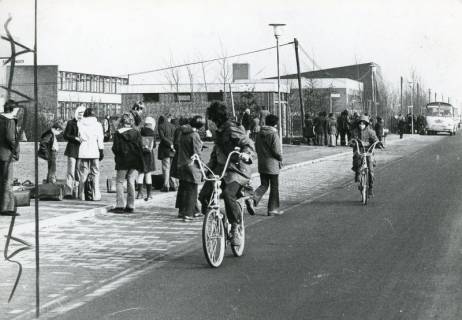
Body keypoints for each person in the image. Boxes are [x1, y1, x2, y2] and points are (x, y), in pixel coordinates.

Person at [199, 102, 255, 246]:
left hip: (237, 169)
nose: (211, 123)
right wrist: (207, 169)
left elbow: (247, 143)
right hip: (221, 169)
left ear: (216, 118)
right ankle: (217, 217)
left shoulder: (231, 129)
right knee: (204, 195)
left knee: (229, 194)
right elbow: (216, 154)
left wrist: (246, 154)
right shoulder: (219, 131)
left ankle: (235, 227)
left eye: (212, 120)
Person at [110, 112, 144, 213]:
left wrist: (118, 155)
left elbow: (115, 148)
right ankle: (130, 205)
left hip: (122, 160)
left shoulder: (118, 133)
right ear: (132, 121)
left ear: (122, 121)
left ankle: (120, 205)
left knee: (120, 182)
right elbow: (140, 147)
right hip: (134, 160)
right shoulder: (137, 133)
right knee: (131, 181)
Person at [251, 114, 283, 216]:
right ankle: (272, 209)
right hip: (272, 164)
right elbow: (277, 150)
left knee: (264, 184)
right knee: (274, 186)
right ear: (275, 124)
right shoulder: (273, 134)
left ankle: (254, 198)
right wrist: (280, 158)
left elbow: (256, 147)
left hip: (262, 162)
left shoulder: (259, 133)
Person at [176, 115, 204, 221]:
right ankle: (188, 213)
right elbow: (197, 153)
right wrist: (201, 167)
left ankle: (187, 210)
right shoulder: (195, 135)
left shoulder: (183, 133)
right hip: (191, 165)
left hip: (181, 162)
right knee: (192, 189)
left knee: (184, 188)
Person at [350, 115, 382, 197]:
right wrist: (352, 142)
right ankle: (357, 173)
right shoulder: (355, 131)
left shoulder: (371, 131)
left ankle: (370, 188)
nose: (361, 125)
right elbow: (351, 140)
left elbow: (376, 139)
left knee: (371, 171)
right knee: (357, 160)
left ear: (367, 124)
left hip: (368, 150)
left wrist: (378, 143)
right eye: (360, 123)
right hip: (359, 150)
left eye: (363, 123)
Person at [77, 108, 104, 201]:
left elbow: (79, 137)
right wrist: (101, 150)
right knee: (95, 173)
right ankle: (95, 194)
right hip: (94, 150)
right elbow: (100, 138)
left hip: (83, 150)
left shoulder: (80, 124)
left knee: (83, 173)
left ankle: (82, 195)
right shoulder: (98, 125)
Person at [0, 100, 20, 215]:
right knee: (8, 181)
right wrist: (16, 150)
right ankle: (7, 208)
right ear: (13, 109)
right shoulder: (10, 121)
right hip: (7, 155)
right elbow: (10, 138)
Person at [63, 105, 85, 198]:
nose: (81, 115)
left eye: (83, 113)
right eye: (80, 113)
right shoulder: (71, 123)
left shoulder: (85, 124)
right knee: (71, 171)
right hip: (72, 149)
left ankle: (78, 192)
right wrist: (75, 137)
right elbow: (66, 135)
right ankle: (68, 192)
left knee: (78, 172)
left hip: (82, 150)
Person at [136, 116, 156, 200]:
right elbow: (154, 145)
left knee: (140, 174)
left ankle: (139, 193)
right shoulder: (152, 132)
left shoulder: (140, 131)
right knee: (148, 174)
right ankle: (149, 194)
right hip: (149, 155)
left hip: (141, 154)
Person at [157, 114, 177, 192]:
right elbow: (175, 138)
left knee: (166, 168)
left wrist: (170, 144)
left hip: (165, 149)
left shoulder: (161, 126)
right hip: (172, 150)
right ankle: (174, 185)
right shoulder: (173, 126)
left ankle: (166, 186)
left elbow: (162, 138)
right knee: (172, 168)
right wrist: (173, 145)